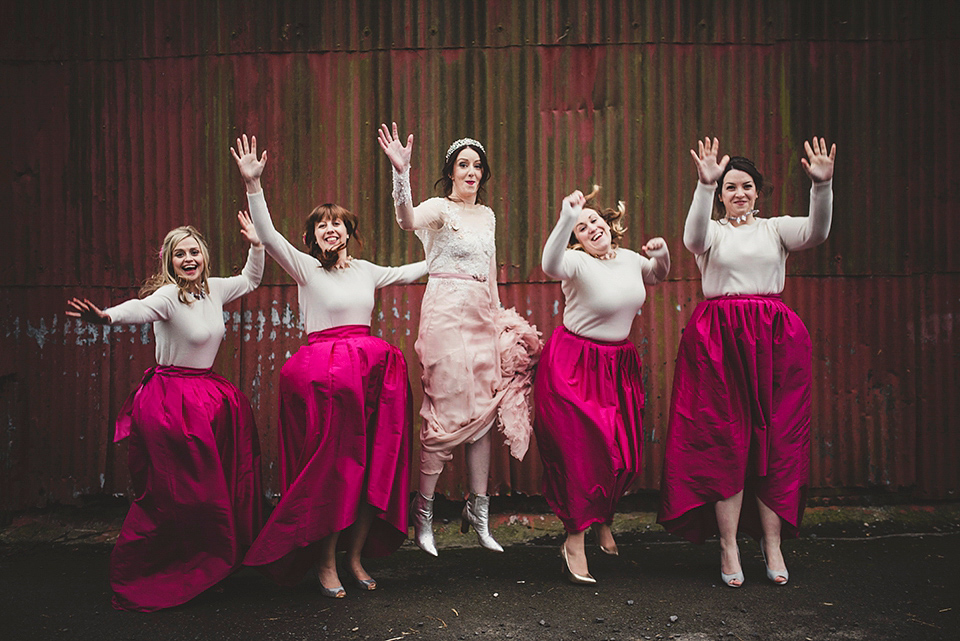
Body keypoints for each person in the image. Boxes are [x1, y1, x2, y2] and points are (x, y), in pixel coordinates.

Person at [231, 134, 427, 598]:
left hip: (371, 374)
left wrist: (462, 254)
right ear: (312, 236)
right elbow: (271, 235)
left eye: (338, 224)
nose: (331, 230)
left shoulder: (367, 271)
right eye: (322, 225)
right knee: (332, 470)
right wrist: (253, 185)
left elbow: (417, 270)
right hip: (324, 379)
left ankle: (355, 558)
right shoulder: (305, 268)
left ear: (349, 231)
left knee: (371, 466)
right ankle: (324, 563)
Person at [658, 137, 836, 587]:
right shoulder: (713, 233)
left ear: (758, 192)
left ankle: (772, 543)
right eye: (730, 187)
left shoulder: (775, 229)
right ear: (721, 194)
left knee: (776, 439)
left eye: (747, 186)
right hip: (718, 342)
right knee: (725, 439)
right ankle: (729, 544)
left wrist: (822, 186)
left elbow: (817, 233)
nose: (739, 193)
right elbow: (691, 237)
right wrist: (703, 185)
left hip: (775, 340)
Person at [66, 217, 265, 612]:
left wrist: (257, 245)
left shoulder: (215, 290)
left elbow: (251, 279)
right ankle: (162, 571)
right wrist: (105, 317)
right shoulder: (168, 296)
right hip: (171, 404)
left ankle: (207, 568)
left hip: (207, 399)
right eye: (179, 254)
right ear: (170, 262)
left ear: (204, 257)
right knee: (178, 495)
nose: (188, 259)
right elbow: (138, 309)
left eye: (193, 252)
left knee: (212, 493)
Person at [378, 123, 540, 556]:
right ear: (451, 171)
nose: (471, 171)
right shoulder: (439, 209)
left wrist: (500, 322)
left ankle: (479, 512)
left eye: (477, 166)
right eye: (463, 165)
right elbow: (405, 219)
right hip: (446, 311)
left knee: (484, 409)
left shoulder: (486, 215)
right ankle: (424, 516)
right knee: (445, 407)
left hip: (480, 315)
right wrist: (401, 174)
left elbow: (489, 273)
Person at [536, 187, 670, 584]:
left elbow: (657, 275)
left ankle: (601, 519)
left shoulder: (630, 260)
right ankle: (574, 541)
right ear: (576, 239)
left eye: (594, 220)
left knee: (622, 454)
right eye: (581, 227)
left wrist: (660, 254)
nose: (591, 227)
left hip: (618, 366)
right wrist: (566, 217)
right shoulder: (575, 263)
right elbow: (548, 263)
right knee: (582, 456)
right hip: (574, 365)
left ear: (609, 224)